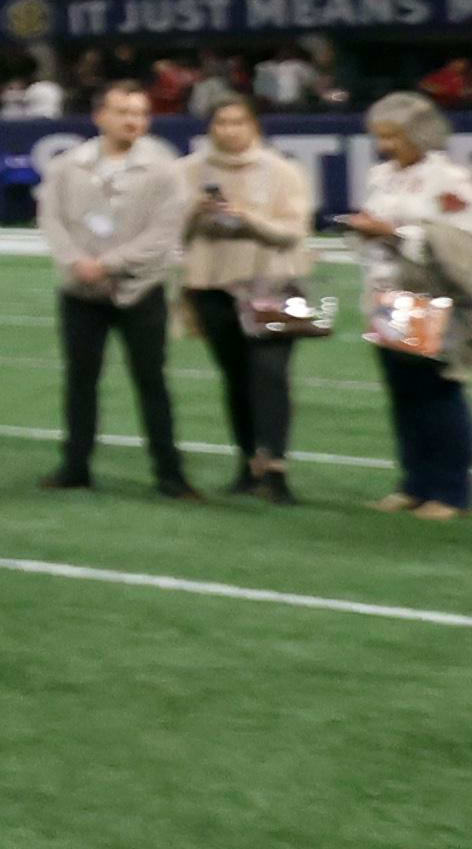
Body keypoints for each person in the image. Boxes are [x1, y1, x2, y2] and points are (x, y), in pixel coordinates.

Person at [35, 81, 196, 498]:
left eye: (140, 113)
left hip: (140, 289)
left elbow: (164, 233)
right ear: (100, 116)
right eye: (123, 112)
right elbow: (51, 219)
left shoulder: (164, 166)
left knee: (152, 383)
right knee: (80, 380)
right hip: (80, 291)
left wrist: (107, 264)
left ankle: (170, 474)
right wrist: (75, 262)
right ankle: (75, 466)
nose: (133, 121)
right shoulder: (69, 164)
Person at [178, 90, 316, 504]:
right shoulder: (186, 171)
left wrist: (247, 218)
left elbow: (293, 230)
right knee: (236, 378)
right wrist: (194, 213)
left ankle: (275, 468)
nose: (230, 130)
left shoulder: (283, 170)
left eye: (238, 122)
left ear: (254, 126)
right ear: (209, 128)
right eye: (221, 122)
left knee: (271, 375)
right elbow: (169, 233)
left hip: (274, 284)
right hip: (212, 286)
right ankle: (246, 463)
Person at [341, 91, 472, 521]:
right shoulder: (381, 176)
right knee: (403, 393)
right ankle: (414, 482)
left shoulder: (450, 180)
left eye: (393, 136)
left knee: (437, 393)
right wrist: (362, 232)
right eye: (380, 136)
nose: (384, 146)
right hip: (389, 294)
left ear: (418, 134)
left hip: (429, 296)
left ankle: (451, 490)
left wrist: (394, 234)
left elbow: (458, 242)